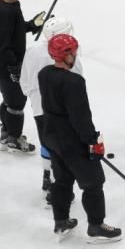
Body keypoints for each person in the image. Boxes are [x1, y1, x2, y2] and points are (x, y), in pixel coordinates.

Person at [39, 33, 122, 242]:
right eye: (73, 52)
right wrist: (93, 141)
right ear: (66, 55)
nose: (75, 55)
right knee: (93, 183)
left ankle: (61, 221)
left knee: (62, 180)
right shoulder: (74, 81)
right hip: (72, 141)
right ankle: (96, 226)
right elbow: (80, 117)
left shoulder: (44, 74)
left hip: (51, 137)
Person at [20, 16, 83, 204]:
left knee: (47, 142)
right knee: (61, 148)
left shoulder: (32, 50)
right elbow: (77, 88)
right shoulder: (70, 58)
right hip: (62, 113)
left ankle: (47, 177)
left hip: (39, 108)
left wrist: (34, 98)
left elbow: (25, 82)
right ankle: (57, 187)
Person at [0, 0, 46, 153]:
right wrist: (13, 67)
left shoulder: (7, 4)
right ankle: (14, 138)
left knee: (9, 99)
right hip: (7, 65)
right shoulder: (3, 11)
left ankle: (6, 132)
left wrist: (32, 25)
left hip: (4, 64)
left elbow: (14, 30)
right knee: (16, 103)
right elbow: (1, 46)